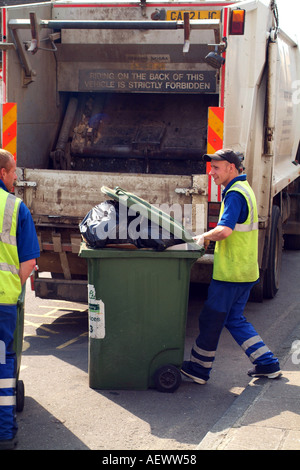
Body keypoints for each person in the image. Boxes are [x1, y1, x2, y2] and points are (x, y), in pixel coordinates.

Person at [181, 149, 281, 385]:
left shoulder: (235, 194)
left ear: (231, 168)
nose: (211, 172)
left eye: (216, 167)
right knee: (234, 319)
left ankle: (198, 368)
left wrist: (202, 237)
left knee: (210, 319)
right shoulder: (244, 189)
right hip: (245, 270)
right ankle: (267, 363)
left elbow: (224, 231)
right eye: (211, 167)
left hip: (231, 274)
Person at [0, 149, 40, 449]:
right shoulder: (14, 208)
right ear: (3, 173)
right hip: (3, 302)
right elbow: (27, 263)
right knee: (2, 365)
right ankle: (4, 433)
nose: (16, 176)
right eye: (14, 171)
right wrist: (15, 286)